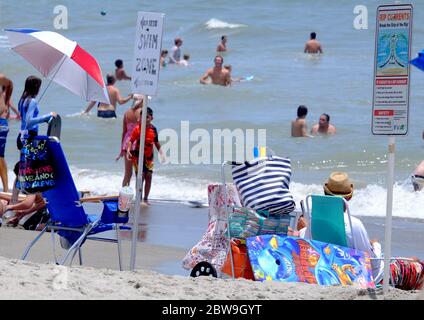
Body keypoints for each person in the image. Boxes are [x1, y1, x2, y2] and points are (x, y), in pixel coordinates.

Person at [298, 172, 385, 283]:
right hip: (351, 277)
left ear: (325, 192)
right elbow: (372, 262)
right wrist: (376, 246)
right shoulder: (354, 224)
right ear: (350, 196)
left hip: (323, 274)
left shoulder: (315, 222)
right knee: (411, 263)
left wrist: (302, 229)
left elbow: (305, 243)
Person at [126, 107, 164, 205]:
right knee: (140, 176)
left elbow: (156, 142)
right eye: (143, 117)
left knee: (149, 176)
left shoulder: (153, 129)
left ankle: (146, 198)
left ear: (151, 118)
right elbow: (131, 141)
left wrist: (161, 153)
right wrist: (128, 150)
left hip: (149, 157)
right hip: (137, 156)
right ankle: (139, 197)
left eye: (147, 117)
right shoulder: (138, 129)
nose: (145, 119)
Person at [0, 162, 49, 230]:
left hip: (50, 211)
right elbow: (42, 203)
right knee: (27, 225)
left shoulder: (31, 183)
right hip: (52, 209)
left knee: (33, 227)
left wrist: (10, 207)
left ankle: (50, 226)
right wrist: (24, 213)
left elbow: (27, 203)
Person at [17, 76, 57, 150]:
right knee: (46, 147)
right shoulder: (32, 101)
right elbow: (29, 122)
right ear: (35, 87)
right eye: (39, 87)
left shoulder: (22, 100)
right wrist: (48, 116)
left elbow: (24, 119)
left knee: (27, 159)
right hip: (30, 138)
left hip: (22, 137)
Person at [117, 96, 143, 187]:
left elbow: (124, 132)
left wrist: (121, 148)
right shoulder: (141, 112)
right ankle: (138, 198)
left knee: (127, 174)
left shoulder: (127, 113)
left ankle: (124, 196)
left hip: (126, 143)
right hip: (137, 143)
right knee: (139, 173)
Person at [0, 74, 13, 192]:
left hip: (0, 122)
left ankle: (5, 190)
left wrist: (6, 101)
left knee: (0, 157)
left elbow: (10, 84)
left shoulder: (1, 78)